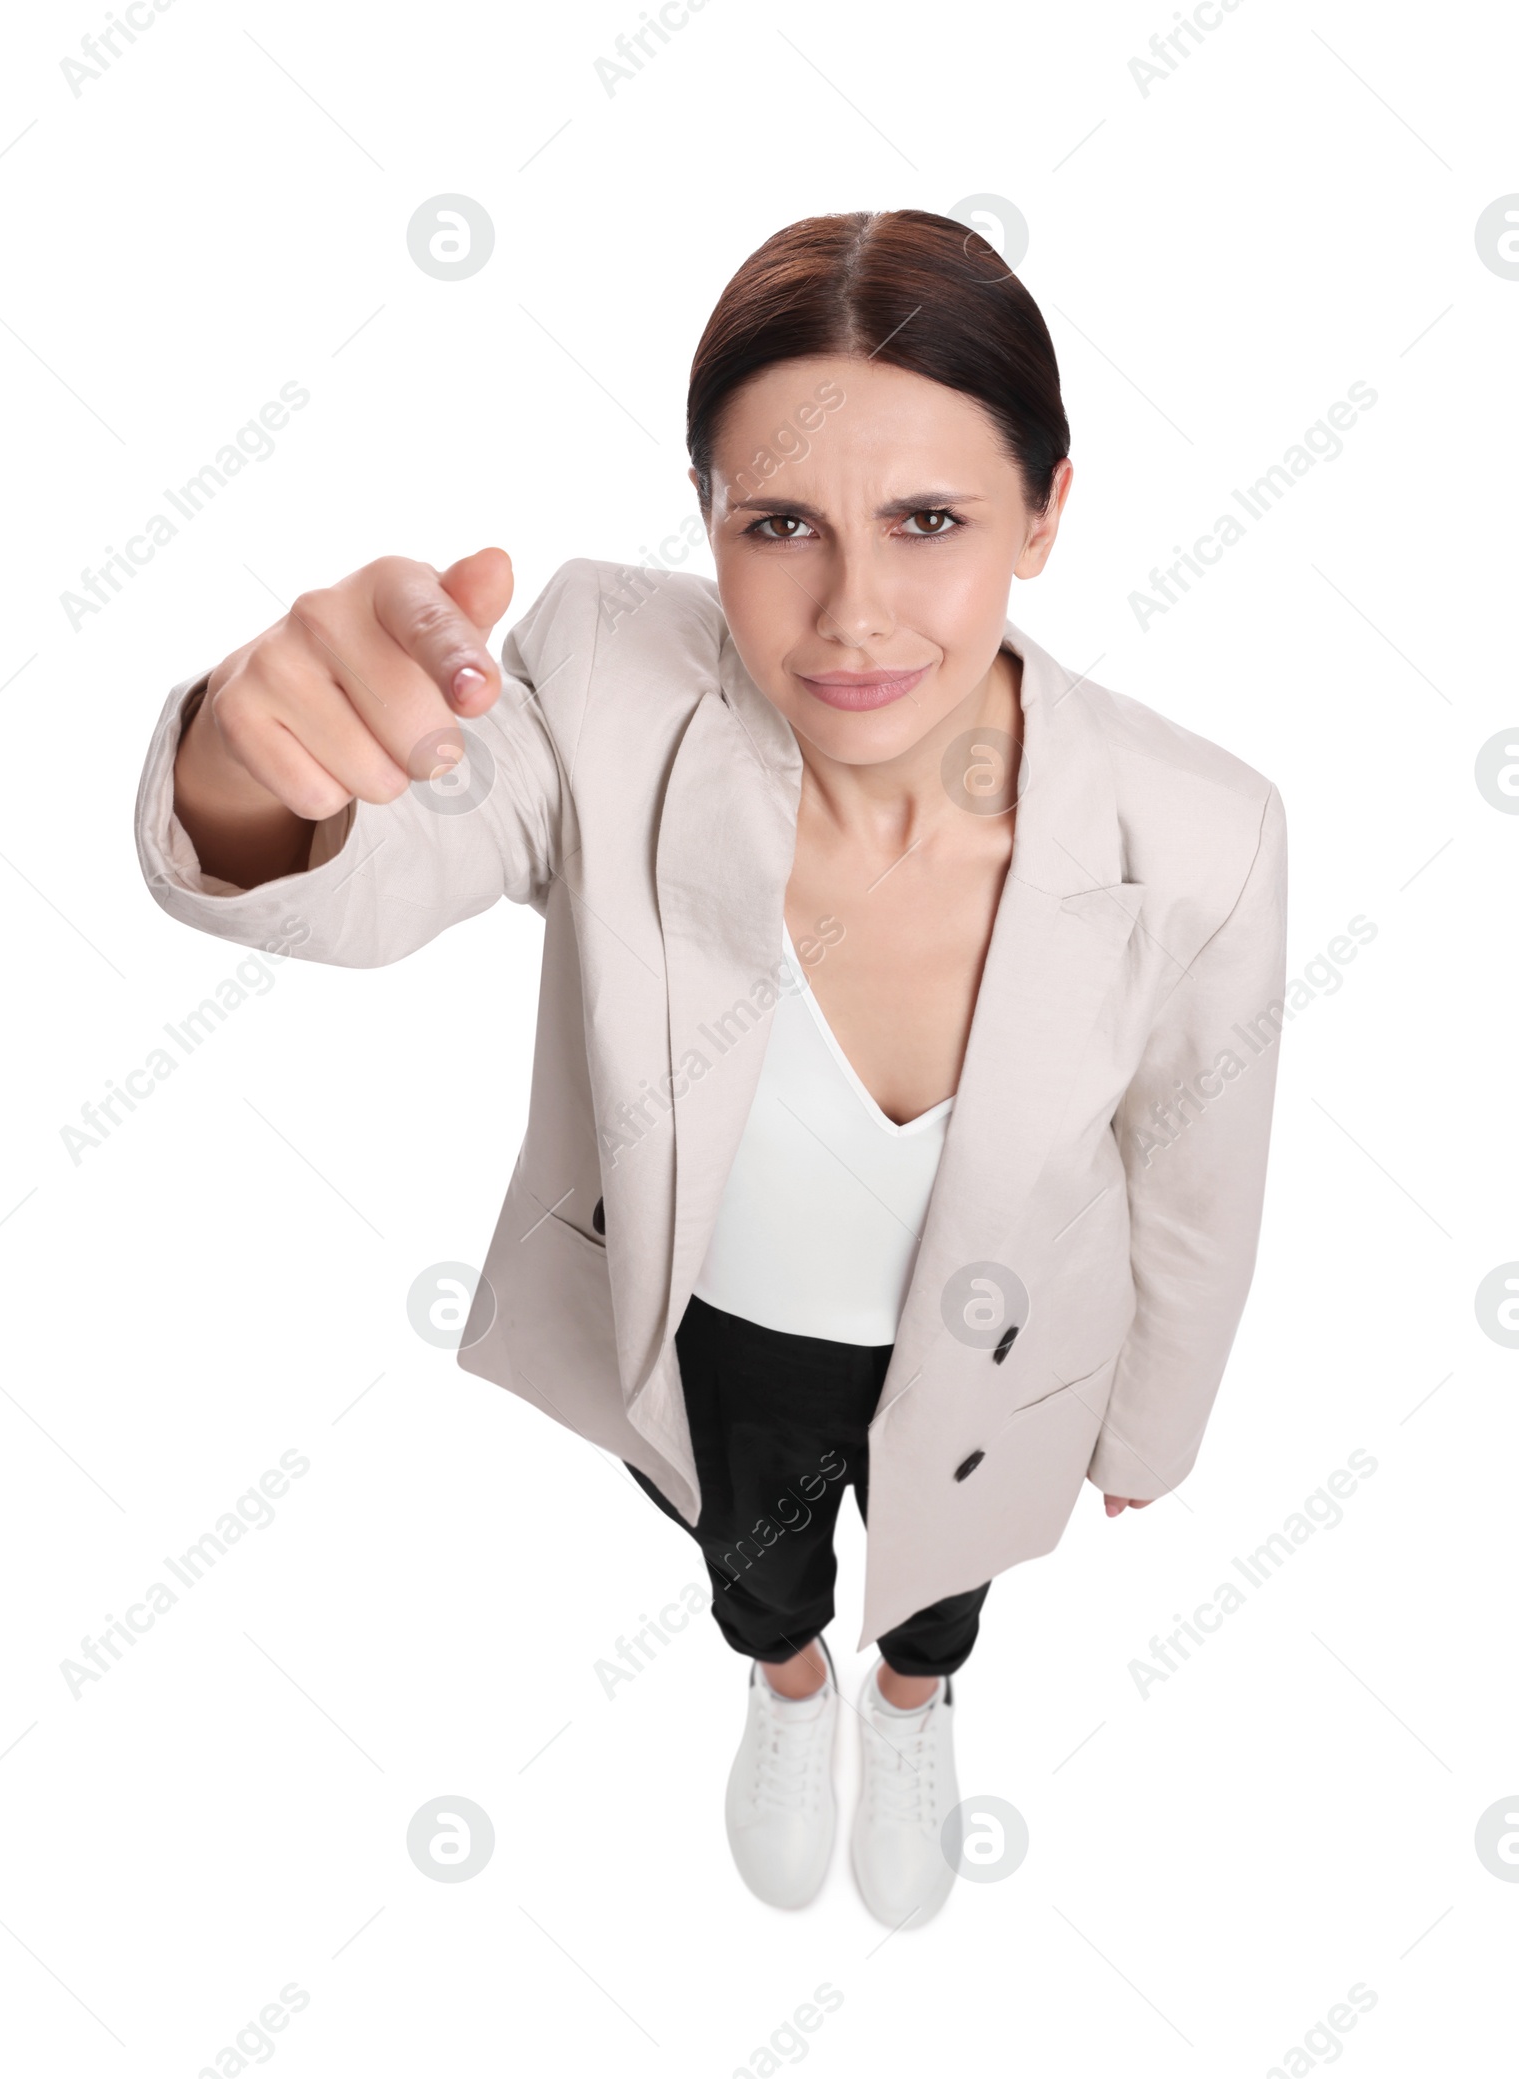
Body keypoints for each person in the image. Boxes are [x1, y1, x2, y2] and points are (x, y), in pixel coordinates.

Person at [135, 208, 1287, 1930]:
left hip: (1001, 1341)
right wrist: (252, 751)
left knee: (944, 1588)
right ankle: (789, 1687)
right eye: (780, 526)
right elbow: (374, 871)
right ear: (710, 525)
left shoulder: (1204, 829)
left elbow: (1198, 1162)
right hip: (718, 1324)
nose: (852, 614)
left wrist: (1158, 1422)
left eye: (930, 522)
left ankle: (908, 1702)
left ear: (1046, 514)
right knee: (753, 1561)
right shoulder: (608, 673)